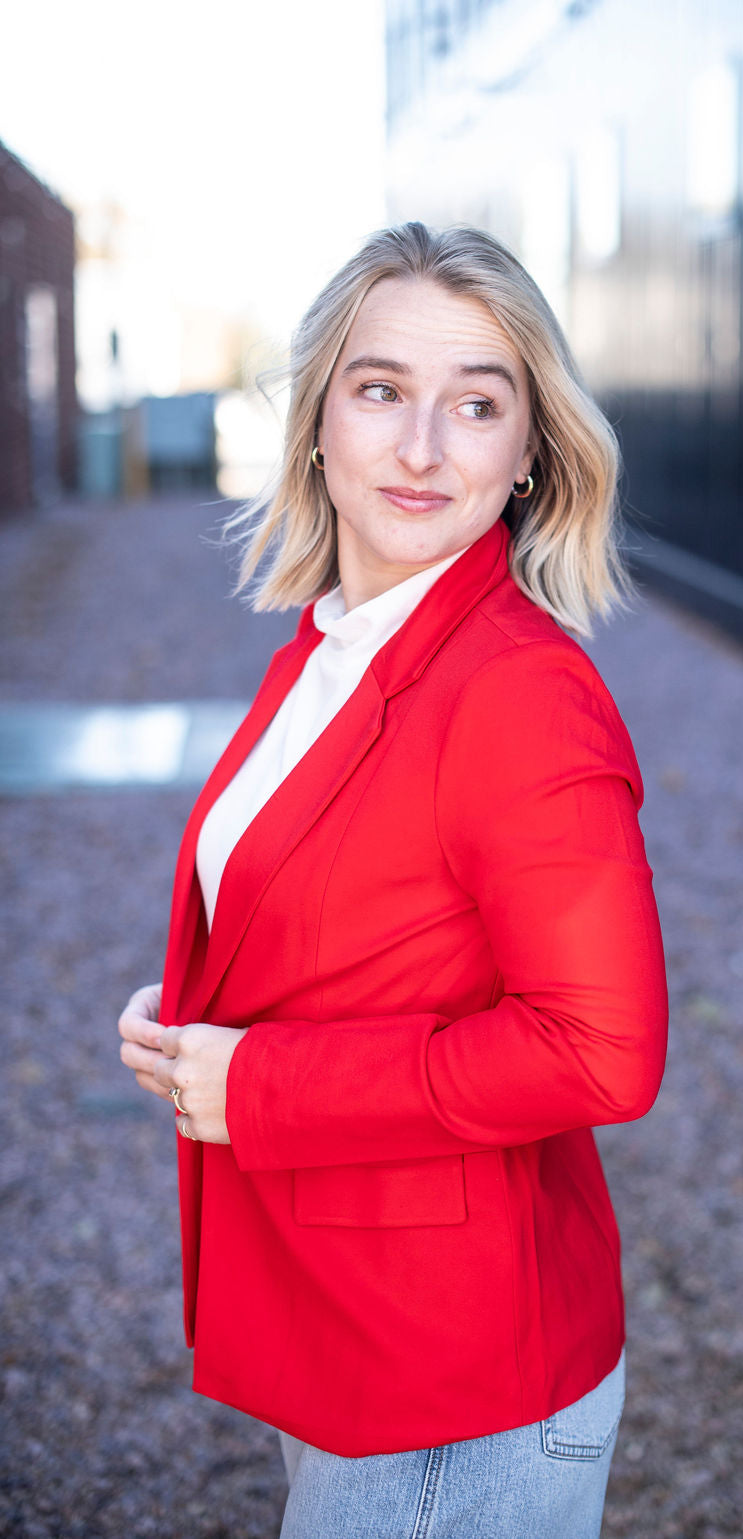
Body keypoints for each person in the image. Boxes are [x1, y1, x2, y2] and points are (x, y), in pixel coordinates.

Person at [118, 221, 667, 1539]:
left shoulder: (520, 692)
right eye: (383, 391)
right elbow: (347, 907)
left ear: (527, 450)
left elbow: (603, 1054)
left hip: (455, 1386)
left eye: (476, 404)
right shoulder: (335, 641)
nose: (423, 448)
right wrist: (206, 1006)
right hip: (350, 1331)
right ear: (318, 419)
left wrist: (259, 1085)